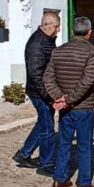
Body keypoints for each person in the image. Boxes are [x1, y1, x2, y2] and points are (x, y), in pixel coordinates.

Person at [44, 16, 94, 187]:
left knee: (63, 143)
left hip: (65, 108)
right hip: (82, 106)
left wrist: (59, 97)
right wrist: (69, 99)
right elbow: (88, 80)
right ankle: (84, 184)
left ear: (72, 31)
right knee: (85, 146)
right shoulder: (91, 51)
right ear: (89, 32)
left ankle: (59, 179)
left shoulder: (58, 51)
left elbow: (48, 78)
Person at [12, 11, 61, 176]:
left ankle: (24, 154)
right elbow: (36, 73)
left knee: (42, 123)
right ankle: (46, 164)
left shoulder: (47, 40)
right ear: (46, 25)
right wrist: (48, 95)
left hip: (43, 90)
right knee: (48, 128)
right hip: (39, 92)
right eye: (56, 26)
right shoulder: (37, 44)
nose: (58, 30)